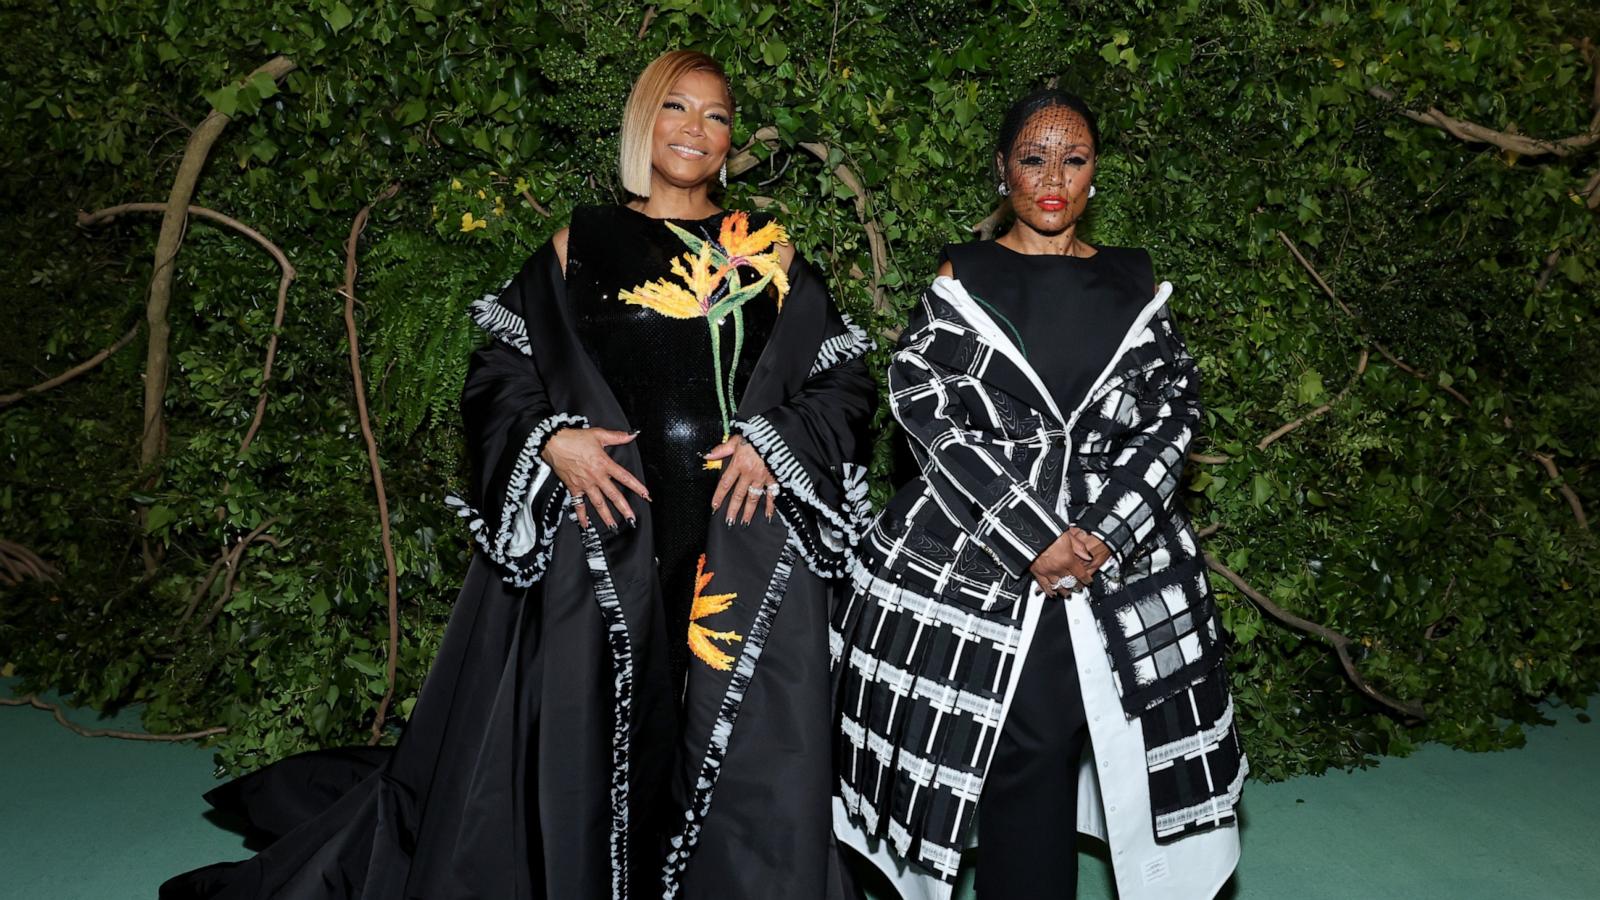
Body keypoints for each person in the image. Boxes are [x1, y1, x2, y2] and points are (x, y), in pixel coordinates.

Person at [163, 49, 875, 900]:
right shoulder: (582, 242)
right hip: (607, 538)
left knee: (722, 733)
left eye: (715, 115)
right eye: (676, 109)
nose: (695, 129)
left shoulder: (767, 251)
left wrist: (775, 439)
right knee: (610, 735)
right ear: (643, 123)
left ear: (731, 139)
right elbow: (500, 373)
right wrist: (550, 441)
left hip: (737, 540)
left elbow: (844, 377)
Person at [830, 88, 1246, 900]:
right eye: (1033, 157)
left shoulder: (1135, 280)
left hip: (1114, 562)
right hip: (982, 560)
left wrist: (1102, 533)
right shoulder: (966, 274)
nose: (1053, 177)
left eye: (1075, 158)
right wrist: (1032, 536)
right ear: (1002, 170)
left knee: (1078, 740)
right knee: (1024, 751)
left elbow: (1172, 415)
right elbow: (927, 409)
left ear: (1097, 172)